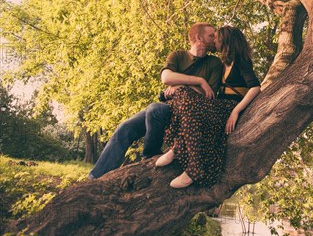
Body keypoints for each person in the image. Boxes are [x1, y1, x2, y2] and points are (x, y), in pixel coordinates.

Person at [88, 22, 223, 179]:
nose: (215, 39)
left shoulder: (214, 63)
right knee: (125, 128)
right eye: (211, 35)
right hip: (167, 106)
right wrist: (199, 80)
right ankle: (95, 177)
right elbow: (166, 77)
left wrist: (180, 86)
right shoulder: (178, 55)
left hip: (189, 111)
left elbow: (209, 95)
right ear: (199, 38)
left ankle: (150, 157)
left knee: (154, 109)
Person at [155, 25, 261, 188]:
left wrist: (236, 111)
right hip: (218, 105)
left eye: (216, 39)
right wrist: (179, 87)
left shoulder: (241, 61)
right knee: (184, 97)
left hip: (229, 107)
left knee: (187, 101)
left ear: (225, 41)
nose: (214, 43)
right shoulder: (223, 63)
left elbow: (255, 87)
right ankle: (176, 148)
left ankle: (194, 170)